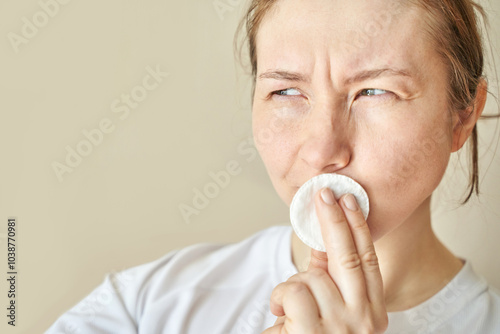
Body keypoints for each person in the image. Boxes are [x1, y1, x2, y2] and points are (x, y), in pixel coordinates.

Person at [46, 0, 500, 333]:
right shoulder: (142, 308)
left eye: (375, 92)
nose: (323, 150)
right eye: (286, 93)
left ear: (461, 116)